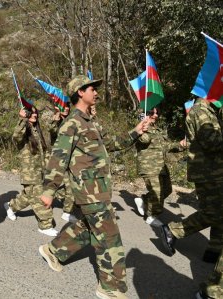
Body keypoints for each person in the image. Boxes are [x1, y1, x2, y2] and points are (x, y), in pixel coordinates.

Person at [37, 75, 148, 299]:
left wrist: (136, 131)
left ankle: (53, 250)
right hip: (88, 191)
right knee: (109, 238)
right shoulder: (71, 123)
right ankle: (110, 288)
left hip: (100, 189)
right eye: (91, 89)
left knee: (89, 227)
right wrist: (49, 190)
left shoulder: (90, 122)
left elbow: (112, 144)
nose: (96, 92)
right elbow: (58, 158)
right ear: (80, 92)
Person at [159, 98, 223, 263]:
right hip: (207, 172)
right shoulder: (200, 111)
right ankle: (173, 230)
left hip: (214, 170)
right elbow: (212, 143)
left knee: (220, 211)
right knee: (211, 213)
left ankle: (214, 250)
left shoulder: (209, 111)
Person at [3, 107, 58, 236]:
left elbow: (44, 153)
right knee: (40, 198)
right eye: (30, 112)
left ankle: (11, 206)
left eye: (35, 112)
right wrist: (22, 119)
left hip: (40, 172)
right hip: (30, 173)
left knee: (28, 196)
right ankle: (45, 225)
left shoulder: (36, 131)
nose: (34, 114)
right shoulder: (23, 133)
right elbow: (16, 136)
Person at [133, 107, 172, 226]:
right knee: (157, 193)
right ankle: (150, 216)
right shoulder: (141, 128)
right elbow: (144, 140)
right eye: (151, 113)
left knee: (167, 190)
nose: (155, 115)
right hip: (149, 167)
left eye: (157, 112)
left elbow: (166, 146)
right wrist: (144, 124)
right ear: (145, 113)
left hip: (160, 166)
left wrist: (181, 145)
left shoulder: (158, 129)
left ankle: (144, 200)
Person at [47, 104, 77, 223]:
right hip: (60, 159)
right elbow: (52, 131)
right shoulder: (57, 120)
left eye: (67, 106)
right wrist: (56, 118)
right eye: (63, 106)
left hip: (72, 159)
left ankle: (56, 193)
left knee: (71, 185)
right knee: (70, 186)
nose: (66, 109)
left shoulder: (72, 120)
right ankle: (67, 212)